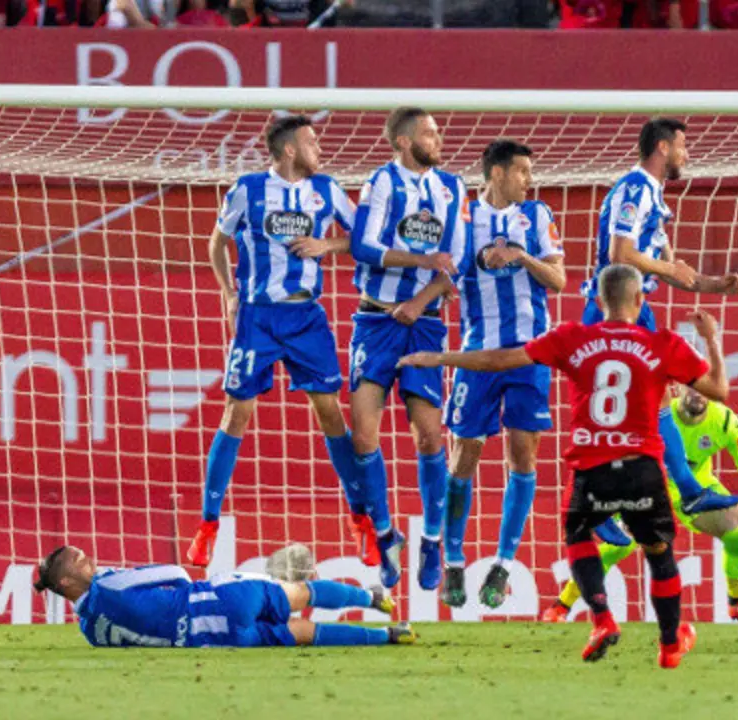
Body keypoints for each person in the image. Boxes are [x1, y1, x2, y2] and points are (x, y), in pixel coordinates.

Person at [399, 264, 726, 669]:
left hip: (592, 472)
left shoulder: (573, 338)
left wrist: (441, 357)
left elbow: (500, 359)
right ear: (640, 302)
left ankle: (602, 619)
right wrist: (711, 339)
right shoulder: (662, 343)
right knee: (659, 553)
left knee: (577, 535)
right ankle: (669, 645)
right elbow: (718, 390)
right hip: (642, 468)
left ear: (600, 302)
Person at [186, 115, 362, 570]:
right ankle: (207, 525)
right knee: (236, 411)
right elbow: (216, 243)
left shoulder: (326, 189)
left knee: (330, 412)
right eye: (311, 141)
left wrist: (329, 248)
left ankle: (360, 518)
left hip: (306, 315)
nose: (318, 148)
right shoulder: (248, 188)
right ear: (288, 150)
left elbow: (363, 237)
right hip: (258, 317)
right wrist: (229, 295)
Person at [582, 116, 738, 517]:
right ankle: (592, 503)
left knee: (656, 403)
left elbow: (675, 272)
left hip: (637, 307)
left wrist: (716, 285)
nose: (687, 156)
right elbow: (621, 254)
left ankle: (688, 490)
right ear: (663, 148)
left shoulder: (654, 199)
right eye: (683, 147)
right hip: (613, 308)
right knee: (612, 409)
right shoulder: (635, 188)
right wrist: (670, 270)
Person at [542, 388, 738, 625]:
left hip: (697, 492)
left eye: (704, 388)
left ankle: (737, 603)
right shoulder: (658, 417)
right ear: (679, 387)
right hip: (651, 492)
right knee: (615, 549)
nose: (699, 394)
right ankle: (561, 605)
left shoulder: (723, 421)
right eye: (693, 386)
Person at [439, 139, 567, 609]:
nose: (528, 180)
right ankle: (453, 562)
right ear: (495, 173)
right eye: (520, 172)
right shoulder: (464, 219)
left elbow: (558, 280)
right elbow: (446, 271)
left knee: (522, 454)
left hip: (530, 353)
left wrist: (521, 256)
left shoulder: (537, 216)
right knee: (464, 454)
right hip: (478, 351)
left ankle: (503, 565)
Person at [347, 106, 469, 590]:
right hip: (375, 319)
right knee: (363, 434)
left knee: (428, 435)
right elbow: (362, 245)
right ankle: (384, 536)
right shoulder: (381, 183)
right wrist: (420, 259)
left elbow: (455, 259)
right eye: (428, 133)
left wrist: (421, 299)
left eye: (438, 131)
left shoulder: (451, 188)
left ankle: (432, 539)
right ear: (402, 141)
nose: (438, 139)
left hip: (423, 323)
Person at [35, 545, 417, 648]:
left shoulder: (90, 631)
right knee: (301, 592)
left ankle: (388, 636)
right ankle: (370, 597)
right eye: (81, 561)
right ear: (67, 583)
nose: (90, 562)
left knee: (302, 633)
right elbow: (176, 574)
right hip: (219, 599)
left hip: (211, 638)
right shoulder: (108, 585)